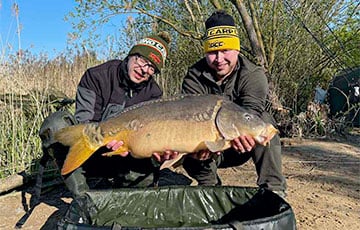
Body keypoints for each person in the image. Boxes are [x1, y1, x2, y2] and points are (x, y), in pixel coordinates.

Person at [39, 32, 189, 199]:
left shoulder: (154, 93)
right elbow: (85, 121)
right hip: (91, 153)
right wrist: (108, 139)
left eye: (152, 68)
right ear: (131, 55)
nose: (144, 70)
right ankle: (83, 197)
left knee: (148, 153)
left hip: (125, 156)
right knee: (56, 123)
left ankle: (121, 196)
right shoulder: (96, 76)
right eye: (142, 61)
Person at [181, 10, 287, 197]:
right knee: (188, 140)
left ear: (237, 49)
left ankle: (274, 190)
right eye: (213, 52)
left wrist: (239, 135)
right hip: (208, 146)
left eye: (225, 50)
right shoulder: (193, 76)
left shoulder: (253, 74)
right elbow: (188, 119)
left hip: (242, 145)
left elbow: (251, 113)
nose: (219, 59)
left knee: (264, 122)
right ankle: (212, 189)